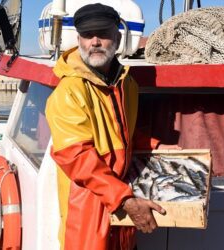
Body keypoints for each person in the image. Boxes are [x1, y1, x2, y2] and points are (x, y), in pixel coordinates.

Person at [45, 3, 166, 250]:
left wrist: (164, 148)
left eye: (104, 33)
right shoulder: (68, 92)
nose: (95, 42)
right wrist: (127, 201)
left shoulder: (126, 84)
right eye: (88, 35)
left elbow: (123, 135)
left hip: (121, 205)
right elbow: (77, 157)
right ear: (78, 38)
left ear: (118, 37)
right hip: (87, 213)